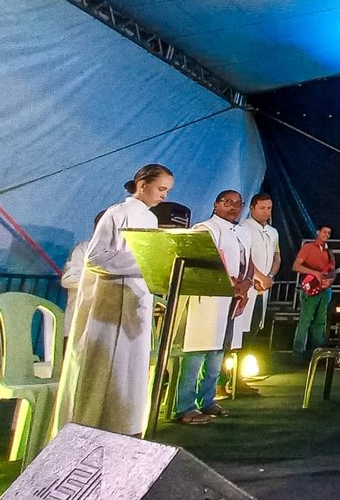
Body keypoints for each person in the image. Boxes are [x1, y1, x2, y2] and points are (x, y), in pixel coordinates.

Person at [54, 163, 174, 437]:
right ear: (142, 184)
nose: (164, 196)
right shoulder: (116, 213)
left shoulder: (151, 219)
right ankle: (90, 428)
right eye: (161, 188)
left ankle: (126, 428)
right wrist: (145, 263)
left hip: (136, 301)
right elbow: (96, 258)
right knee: (103, 370)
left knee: (130, 371)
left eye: (167, 190)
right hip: (109, 305)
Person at [176, 191, 253, 424]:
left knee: (219, 350)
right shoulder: (205, 228)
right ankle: (185, 406)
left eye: (237, 204)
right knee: (198, 350)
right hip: (207, 297)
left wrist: (245, 285)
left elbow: (248, 263)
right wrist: (229, 282)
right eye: (227, 203)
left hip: (232, 298)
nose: (233, 208)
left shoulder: (242, 232)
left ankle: (207, 400)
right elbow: (205, 260)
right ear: (216, 204)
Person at [232, 192, 280, 395]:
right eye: (262, 208)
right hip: (247, 286)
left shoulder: (273, 231)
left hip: (263, 289)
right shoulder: (243, 228)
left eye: (269, 208)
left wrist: (269, 276)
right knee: (239, 332)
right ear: (251, 208)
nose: (266, 212)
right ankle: (230, 378)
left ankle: (240, 377)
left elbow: (277, 256)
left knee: (253, 329)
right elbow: (245, 257)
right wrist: (258, 277)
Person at [60, 211, 106, 338]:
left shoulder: (120, 254)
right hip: (79, 326)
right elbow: (68, 279)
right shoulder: (83, 249)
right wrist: (102, 283)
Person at [292, 224, 335, 356]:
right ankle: (298, 352)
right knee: (305, 321)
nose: (326, 235)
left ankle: (316, 353)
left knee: (321, 322)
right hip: (309, 288)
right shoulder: (308, 248)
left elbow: (332, 272)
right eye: (324, 232)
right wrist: (315, 273)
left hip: (325, 290)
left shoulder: (329, 252)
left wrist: (329, 282)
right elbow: (296, 266)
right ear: (318, 232)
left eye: (329, 233)